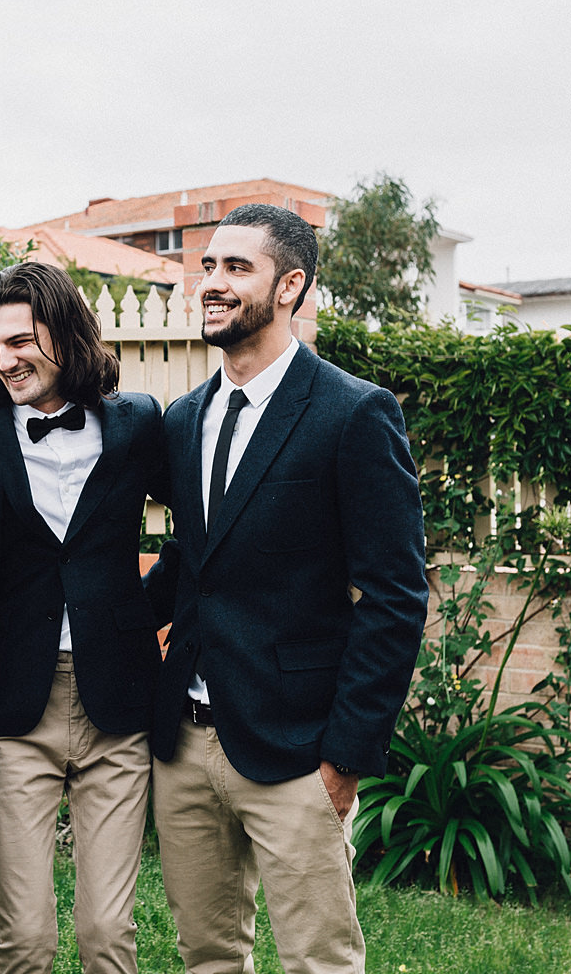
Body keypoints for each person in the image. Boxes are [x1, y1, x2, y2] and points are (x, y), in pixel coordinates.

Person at [148, 203, 428, 974]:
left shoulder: (353, 413)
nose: (213, 281)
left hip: (300, 749)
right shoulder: (184, 419)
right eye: (208, 265)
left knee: (319, 961)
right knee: (206, 954)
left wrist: (345, 755)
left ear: (290, 286)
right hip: (186, 742)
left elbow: (396, 596)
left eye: (237, 268)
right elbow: (192, 560)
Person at [0, 261, 168, 974]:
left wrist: (139, 610)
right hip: (16, 709)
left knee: (107, 934)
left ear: (65, 333)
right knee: (27, 939)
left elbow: (202, 528)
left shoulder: (137, 424)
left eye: (19, 341)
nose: (3, 360)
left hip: (118, 706)